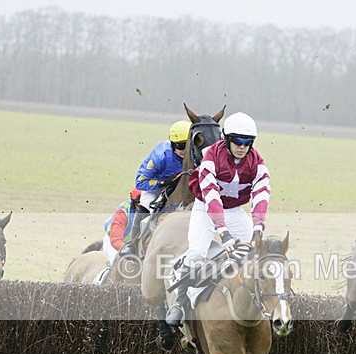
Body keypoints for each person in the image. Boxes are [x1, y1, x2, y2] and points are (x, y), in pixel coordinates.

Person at [165, 112, 270, 327]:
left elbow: (262, 192)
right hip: (205, 209)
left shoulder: (256, 161)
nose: (243, 147)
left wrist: (258, 227)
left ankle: (264, 303)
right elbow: (211, 195)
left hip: (234, 211)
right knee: (196, 254)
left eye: (248, 142)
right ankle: (180, 303)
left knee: (258, 254)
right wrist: (223, 232)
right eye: (238, 141)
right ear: (227, 139)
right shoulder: (211, 157)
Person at [123, 120, 191, 256]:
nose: (184, 150)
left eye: (188, 146)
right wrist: (161, 183)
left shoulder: (194, 155)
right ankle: (132, 244)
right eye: (181, 146)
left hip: (183, 187)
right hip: (155, 187)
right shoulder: (161, 155)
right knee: (146, 204)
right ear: (172, 144)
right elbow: (140, 182)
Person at [102, 188, 141, 266]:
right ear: (134, 203)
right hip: (115, 243)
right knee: (117, 265)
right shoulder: (123, 212)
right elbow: (116, 240)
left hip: (135, 245)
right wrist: (128, 250)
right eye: (139, 205)